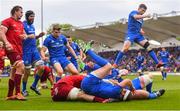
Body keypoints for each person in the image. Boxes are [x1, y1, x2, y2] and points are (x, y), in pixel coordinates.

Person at [80, 43, 165, 101]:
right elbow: (126, 82)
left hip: (96, 84)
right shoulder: (115, 90)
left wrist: (120, 73)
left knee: (149, 77)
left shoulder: (107, 73)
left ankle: (150, 94)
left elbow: (109, 79)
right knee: (138, 90)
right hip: (125, 85)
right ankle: (152, 95)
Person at [113, 4, 163, 69]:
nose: (143, 12)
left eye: (144, 11)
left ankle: (158, 63)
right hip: (131, 34)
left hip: (138, 35)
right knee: (125, 48)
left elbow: (139, 26)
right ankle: (115, 64)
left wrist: (141, 30)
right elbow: (136, 17)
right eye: (142, 10)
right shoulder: (133, 12)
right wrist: (146, 15)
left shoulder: (141, 19)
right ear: (139, 8)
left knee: (148, 47)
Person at [0, 5, 31, 100]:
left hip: (19, 49)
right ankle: (18, 93)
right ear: (15, 12)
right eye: (21, 12)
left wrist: (24, 36)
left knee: (14, 70)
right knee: (21, 66)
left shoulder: (21, 24)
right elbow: (1, 32)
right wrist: (6, 43)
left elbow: (24, 34)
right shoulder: (7, 21)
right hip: (11, 48)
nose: (22, 14)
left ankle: (10, 95)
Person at [21, 10, 45, 96]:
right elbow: (22, 37)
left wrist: (39, 36)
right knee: (27, 72)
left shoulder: (32, 26)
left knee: (42, 67)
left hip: (34, 50)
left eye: (34, 16)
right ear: (27, 17)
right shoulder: (22, 25)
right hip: (26, 51)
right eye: (31, 16)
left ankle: (34, 85)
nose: (33, 18)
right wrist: (27, 36)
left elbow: (33, 37)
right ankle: (23, 89)